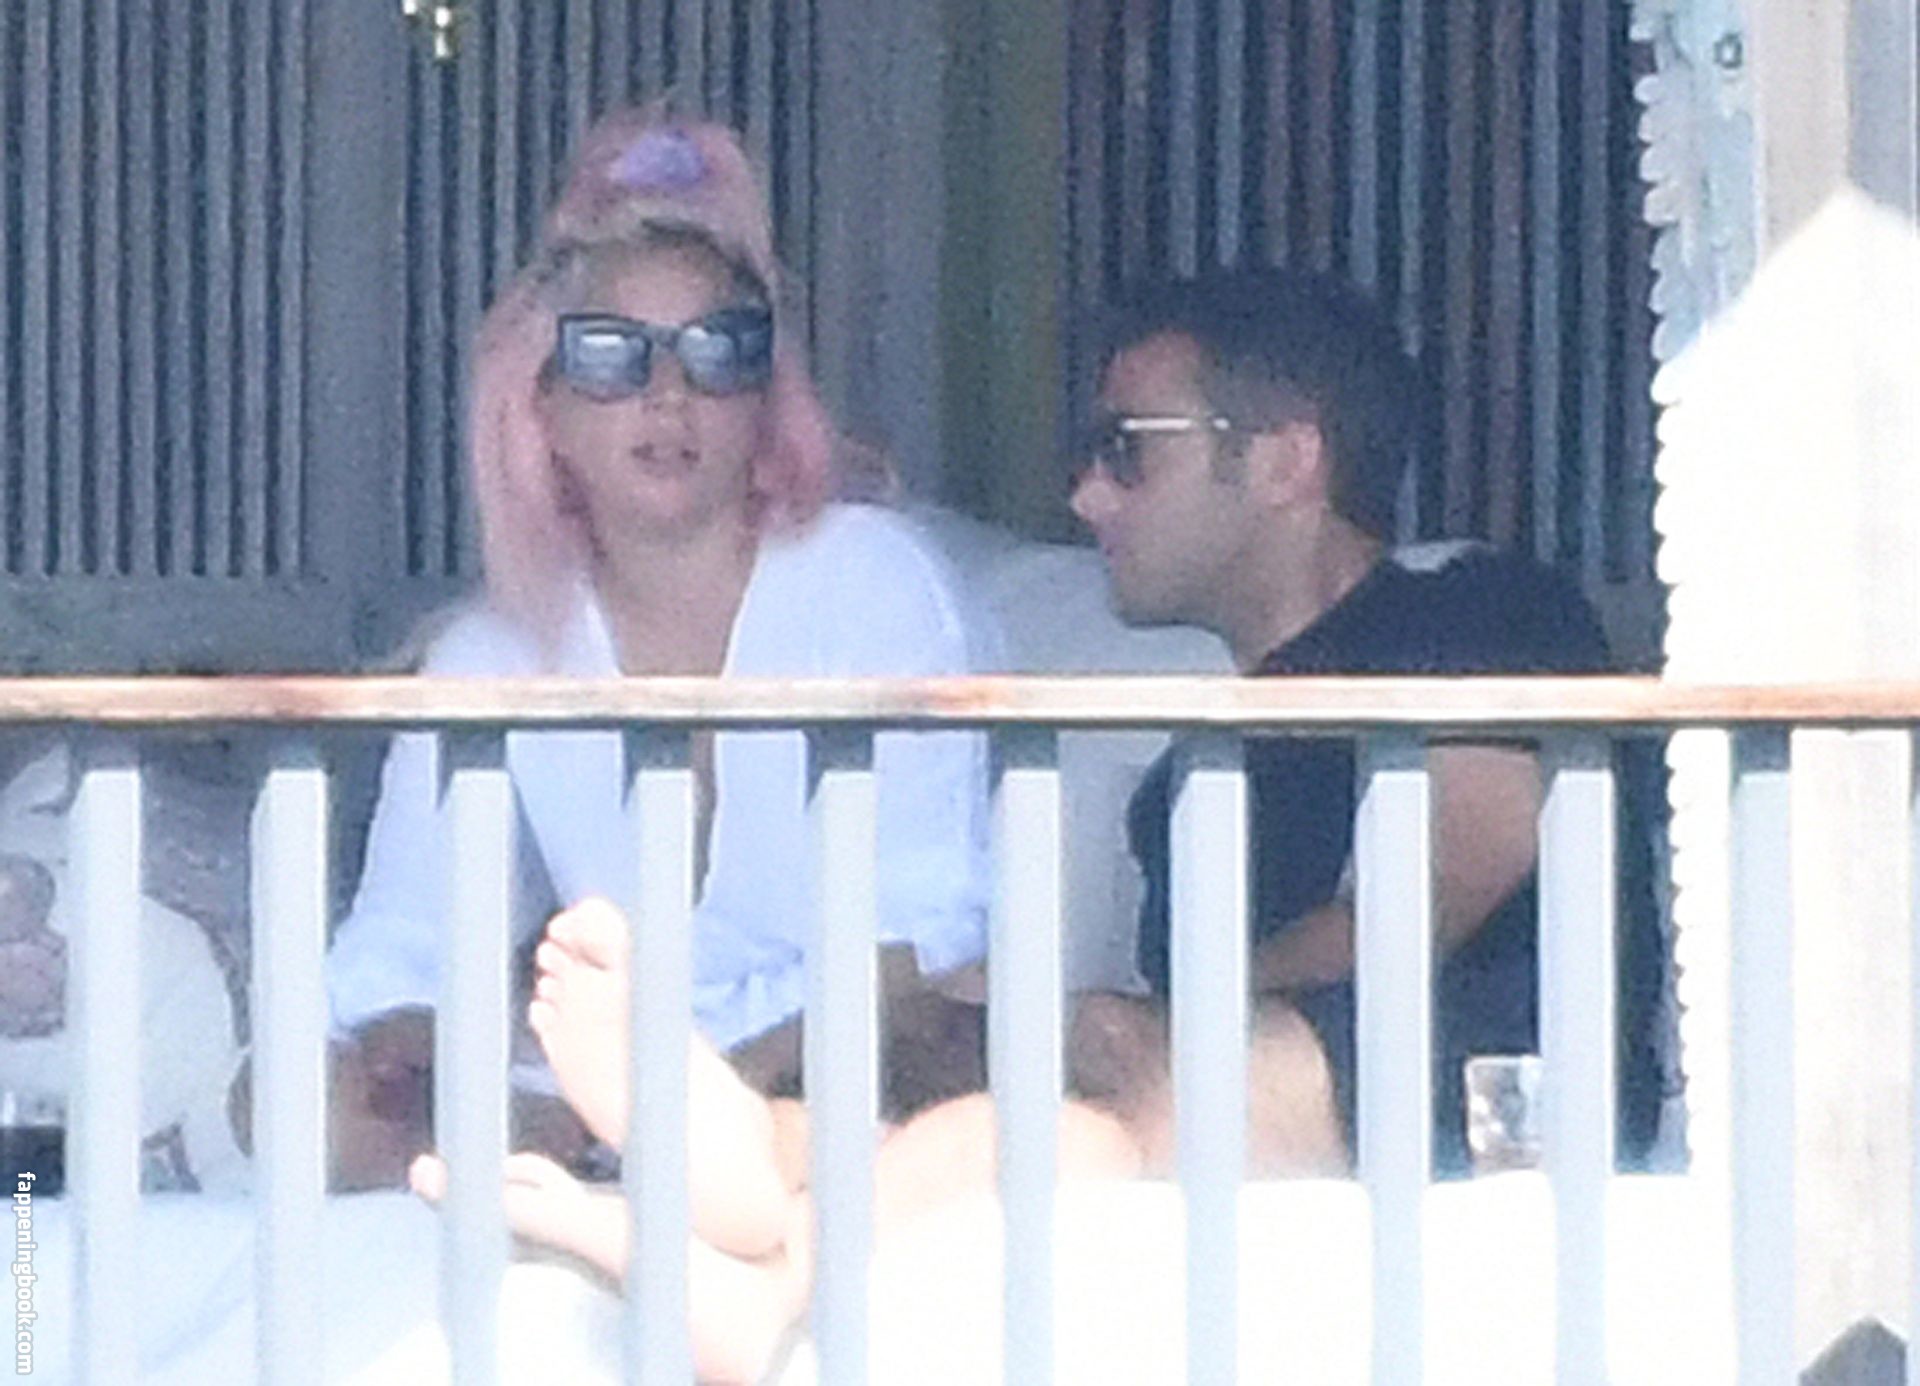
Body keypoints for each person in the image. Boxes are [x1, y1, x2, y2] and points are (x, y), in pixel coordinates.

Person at [300, 106, 996, 1191]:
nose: (669, 395)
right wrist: (528, 1077)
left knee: (920, 1051)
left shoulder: (874, 580)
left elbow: (934, 928)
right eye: (610, 357)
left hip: (834, 1067)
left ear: (765, 397)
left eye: (719, 352)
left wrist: (702, 1092)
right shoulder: (490, 651)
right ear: (542, 407)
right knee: (299, 1101)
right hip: (594, 1090)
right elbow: (400, 949)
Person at [1062, 267, 1667, 1174]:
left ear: (1286, 461)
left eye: (1126, 450)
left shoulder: (1479, 611)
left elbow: (1423, 901)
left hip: (1488, 1137)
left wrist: (1151, 1023)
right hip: (1263, 1161)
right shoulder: (1180, 785)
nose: (1087, 497)